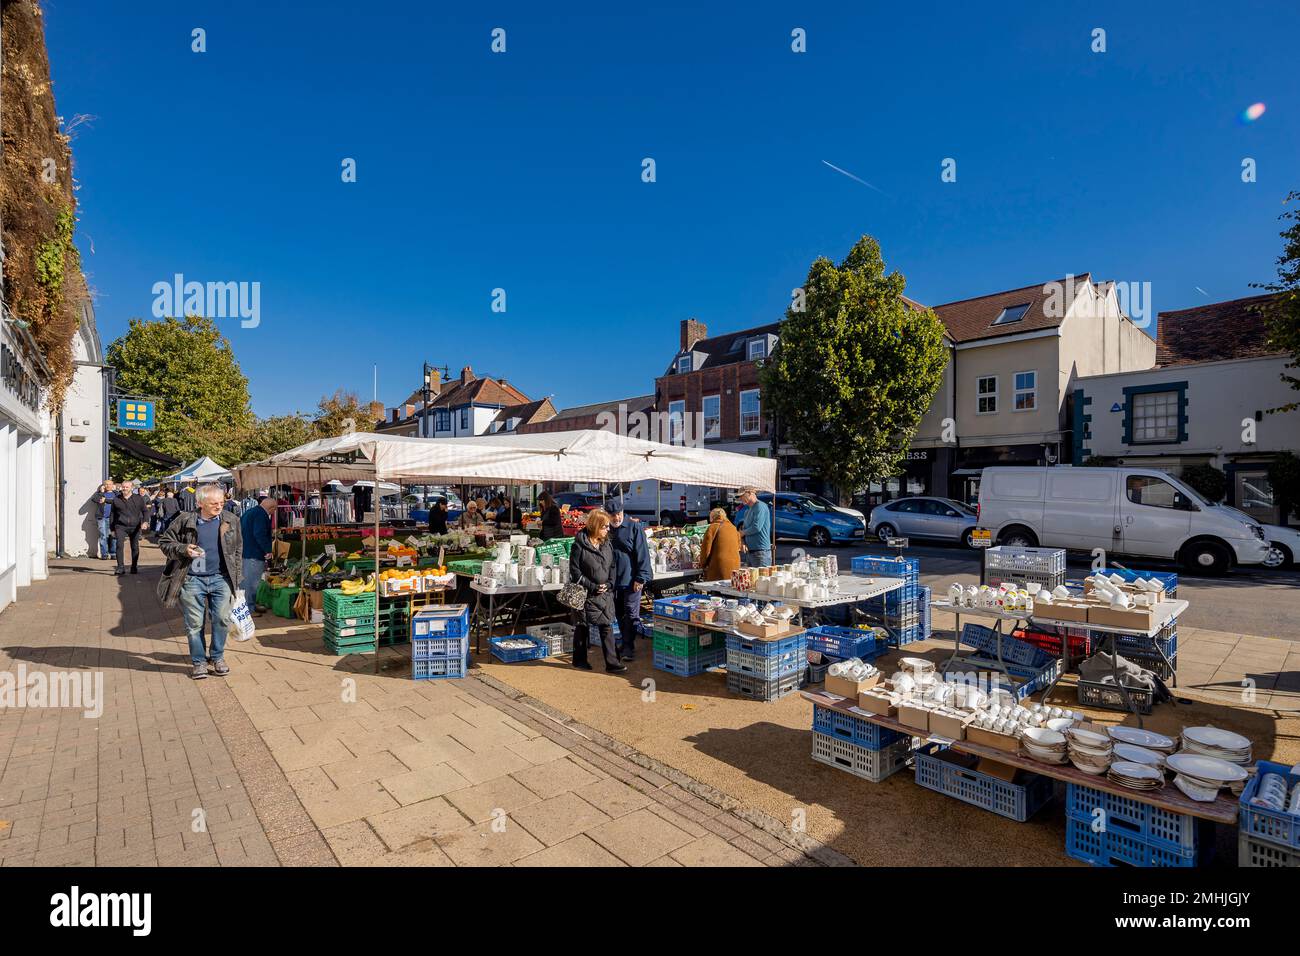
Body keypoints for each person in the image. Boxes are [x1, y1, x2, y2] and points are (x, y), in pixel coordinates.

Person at [158, 483, 244, 679]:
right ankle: (198, 662)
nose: (219, 506)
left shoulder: (231, 520)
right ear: (200, 503)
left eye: (222, 502)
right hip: (191, 579)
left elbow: (238, 549)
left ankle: (217, 657)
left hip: (221, 578)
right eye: (214, 503)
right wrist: (183, 549)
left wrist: (237, 577)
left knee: (222, 619)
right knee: (194, 623)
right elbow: (164, 542)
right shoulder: (185, 520)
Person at [568, 509, 625, 673]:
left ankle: (612, 663)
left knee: (606, 626)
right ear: (595, 526)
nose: (608, 529)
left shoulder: (607, 543)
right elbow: (575, 571)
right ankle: (579, 660)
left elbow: (612, 565)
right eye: (605, 526)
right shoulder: (579, 544)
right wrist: (592, 586)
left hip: (604, 593)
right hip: (585, 593)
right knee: (582, 626)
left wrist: (610, 583)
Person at [605, 497, 651, 661]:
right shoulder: (605, 529)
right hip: (613, 581)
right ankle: (625, 643)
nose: (616, 518)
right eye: (612, 515)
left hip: (632, 580)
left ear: (623, 512)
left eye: (618, 514)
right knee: (618, 613)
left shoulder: (634, 527)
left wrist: (641, 577)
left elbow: (643, 553)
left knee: (631, 614)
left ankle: (628, 648)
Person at [240, 495, 276, 615]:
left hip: (247, 551)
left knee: (247, 581)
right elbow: (259, 534)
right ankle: (248, 609)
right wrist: (267, 550)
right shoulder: (261, 515)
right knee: (251, 583)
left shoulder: (250, 512)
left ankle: (249, 605)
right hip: (253, 553)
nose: (274, 512)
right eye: (274, 509)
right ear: (271, 508)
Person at [110, 479, 150, 575]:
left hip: (135, 526)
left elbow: (145, 511)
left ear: (131, 488)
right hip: (120, 526)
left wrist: (145, 522)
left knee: (134, 546)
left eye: (127, 487)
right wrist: (112, 529)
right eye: (123, 487)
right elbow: (112, 514)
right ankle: (120, 567)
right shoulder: (116, 499)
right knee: (119, 545)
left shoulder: (138, 499)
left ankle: (134, 566)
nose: (124, 488)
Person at [698, 507, 742, 580]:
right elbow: (738, 547)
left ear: (712, 517)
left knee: (715, 590)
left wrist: (702, 564)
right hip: (735, 567)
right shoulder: (733, 528)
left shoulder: (712, 527)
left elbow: (706, 550)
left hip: (718, 567)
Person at [735, 486, 772, 568]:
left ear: (750, 493)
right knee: (752, 579)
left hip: (761, 551)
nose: (741, 498)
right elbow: (743, 529)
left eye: (742, 495)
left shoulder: (760, 506)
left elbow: (757, 527)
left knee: (762, 579)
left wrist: (742, 533)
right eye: (740, 496)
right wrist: (743, 542)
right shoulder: (747, 511)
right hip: (751, 551)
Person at [94, 480, 117, 560]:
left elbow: (118, 501)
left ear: (113, 485)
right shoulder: (100, 494)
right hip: (102, 518)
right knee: (103, 536)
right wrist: (101, 492)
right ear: (103, 486)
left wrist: (115, 491)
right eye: (106, 484)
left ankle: (113, 553)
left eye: (109, 484)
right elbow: (94, 499)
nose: (108, 486)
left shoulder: (116, 494)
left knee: (113, 535)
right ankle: (104, 554)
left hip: (114, 518)